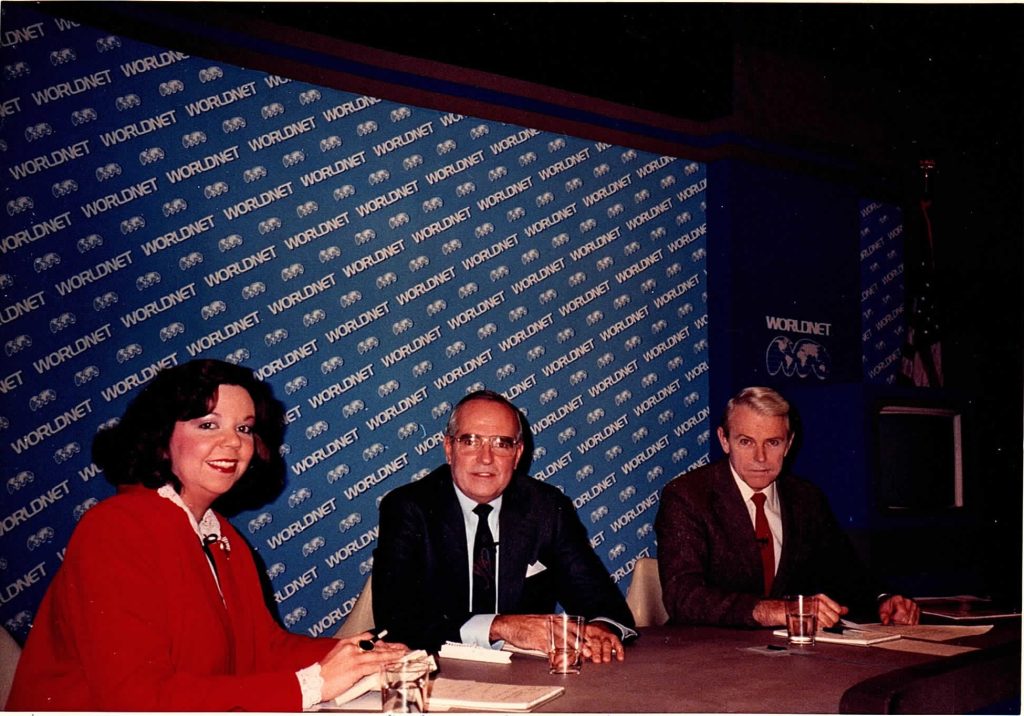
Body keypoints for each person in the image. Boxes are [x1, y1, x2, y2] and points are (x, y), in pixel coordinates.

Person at [6, 360, 407, 711]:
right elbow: (133, 698)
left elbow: (263, 650)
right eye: (208, 424)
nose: (233, 442)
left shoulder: (219, 533)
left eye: (245, 428)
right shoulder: (115, 528)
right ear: (162, 438)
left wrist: (366, 653)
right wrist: (315, 682)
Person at [373, 390, 636, 662]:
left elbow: (604, 604)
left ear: (518, 453)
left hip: (525, 675)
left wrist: (600, 630)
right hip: (437, 670)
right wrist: (501, 626)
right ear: (449, 449)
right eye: (471, 441)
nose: (486, 458)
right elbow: (395, 619)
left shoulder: (546, 507)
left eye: (501, 443)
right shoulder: (409, 507)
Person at [654, 386, 920, 629]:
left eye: (773, 442)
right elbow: (684, 597)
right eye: (746, 442)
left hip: (790, 655)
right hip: (707, 655)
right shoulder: (687, 496)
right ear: (724, 440)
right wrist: (775, 611)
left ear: (789, 444)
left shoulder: (806, 498)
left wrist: (883, 600)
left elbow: (845, 574)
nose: (760, 457)